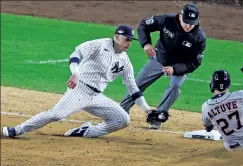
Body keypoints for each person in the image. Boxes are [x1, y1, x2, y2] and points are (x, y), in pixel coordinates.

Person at [2, 24, 157, 138]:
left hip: (97, 96)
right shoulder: (100, 45)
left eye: (131, 40)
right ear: (116, 36)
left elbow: (132, 87)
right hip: (80, 89)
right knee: (56, 114)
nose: (129, 43)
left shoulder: (125, 60)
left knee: (122, 119)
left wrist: (147, 109)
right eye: (126, 39)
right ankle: (17, 130)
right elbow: (76, 54)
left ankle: (85, 131)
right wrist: (75, 73)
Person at [120, 3, 206, 129]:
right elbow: (144, 25)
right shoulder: (167, 20)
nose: (188, 26)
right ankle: (120, 112)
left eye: (191, 23)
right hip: (159, 59)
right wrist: (146, 44)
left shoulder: (199, 37)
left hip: (179, 66)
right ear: (180, 16)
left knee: (175, 86)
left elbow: (194, 63)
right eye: (186, 21)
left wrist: (175, 69)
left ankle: (157, 117)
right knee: (137, 85)